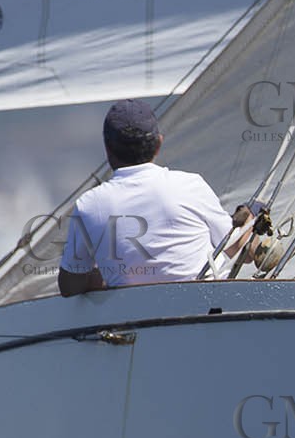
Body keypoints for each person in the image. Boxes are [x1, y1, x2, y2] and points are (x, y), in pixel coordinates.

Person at [58, 99, 254, 296]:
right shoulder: (191, 185)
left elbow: (69, 285)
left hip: (134, 319)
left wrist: (107, 277)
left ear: (107, 148)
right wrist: (249, 223)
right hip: (209, 307)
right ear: (158, 143)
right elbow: (241, 251)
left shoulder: (89, 204)